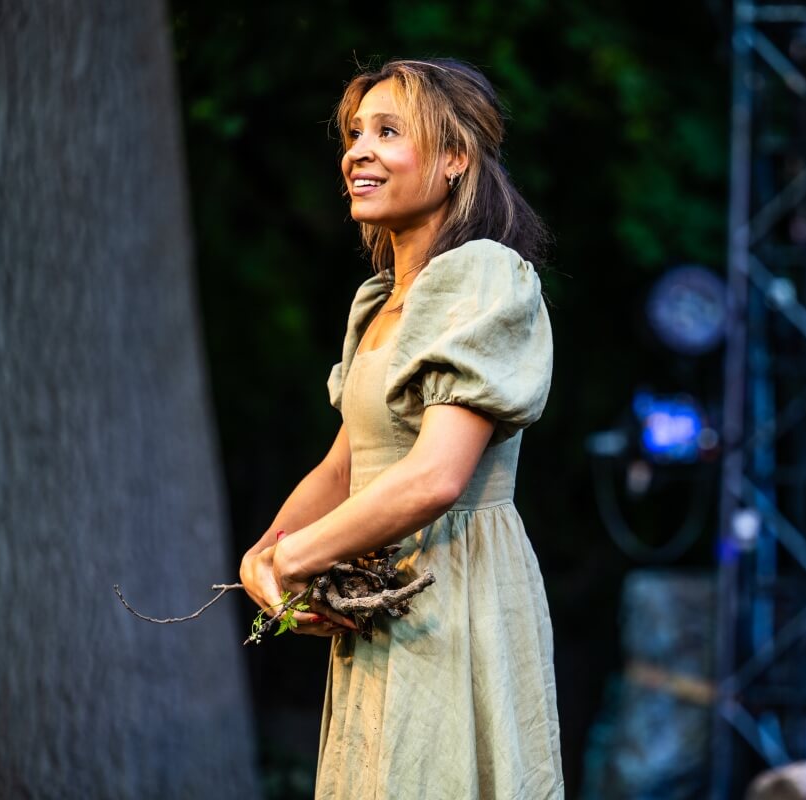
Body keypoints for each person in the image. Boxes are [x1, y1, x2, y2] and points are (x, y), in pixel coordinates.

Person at [237, 58, 563, 799]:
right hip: (383, 590)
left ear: (455, 159)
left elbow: (436, 476)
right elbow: (344, 466)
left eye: (388, 132)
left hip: (453, 591)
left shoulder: (483, 276)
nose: (358, 150)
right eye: (355, 133)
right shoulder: (380, 300)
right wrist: (266, 555)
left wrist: (300, 560)